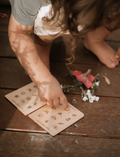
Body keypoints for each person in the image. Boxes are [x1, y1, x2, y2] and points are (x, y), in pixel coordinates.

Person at [8, 0, 120, 109]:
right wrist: (42, 78)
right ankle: (42, 43)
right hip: (49, 9)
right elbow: (18, 33)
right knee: (48, 19)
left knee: (114, 10)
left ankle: (95, 39)